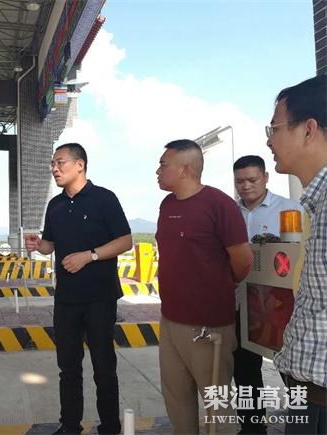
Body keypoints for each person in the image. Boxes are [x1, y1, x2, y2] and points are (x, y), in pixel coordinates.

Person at [24, 143, 132, 434]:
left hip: (100, 298)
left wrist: (89, 256)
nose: (54, 169)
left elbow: (125, 241)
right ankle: (70, 425)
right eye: (53, 164)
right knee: (68, 369)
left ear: (80, 164)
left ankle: (110, 426)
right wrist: (39, 245)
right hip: (66, 300)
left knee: (104, 367)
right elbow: (50, 245)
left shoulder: (104, 199)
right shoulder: (55, 205)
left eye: (60, 162)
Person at [155, 139, 253, 435]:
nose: (157, 171)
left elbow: (243, 260)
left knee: (216, 405)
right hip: (170, 320)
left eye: (163, 165)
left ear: (184, 169)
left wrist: (219, 286)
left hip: (208, 325)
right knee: (176, 398)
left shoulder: (219, 205)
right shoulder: (167, 205)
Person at [269, 74, 327, 434]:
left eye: (274, 128)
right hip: (308, 397)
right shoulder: (316, 204)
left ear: (308, 130)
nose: (269, 140)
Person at [232, 154, 303, 434]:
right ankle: (252, 427)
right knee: (245, 370)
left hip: (281, 307)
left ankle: (304, 423)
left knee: (291, 370)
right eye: (240, 181)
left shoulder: (290, 209)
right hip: (242, 305)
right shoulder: (230, 212)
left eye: (252, 179)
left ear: (265, 177)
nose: (246, 186)